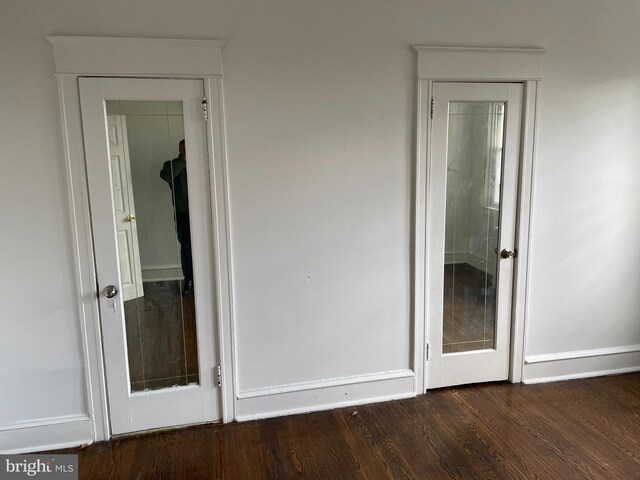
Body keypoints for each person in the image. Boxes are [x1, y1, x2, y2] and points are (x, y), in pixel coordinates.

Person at [160, 139, 193, 295]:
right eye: (184, 148)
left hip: (205, 213)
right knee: (186, 247)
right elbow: (166, 176)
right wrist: (183, 159)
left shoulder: (203, 160)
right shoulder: (171, 165)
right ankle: (189, 279)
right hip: (182, 213)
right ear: (180, 148)